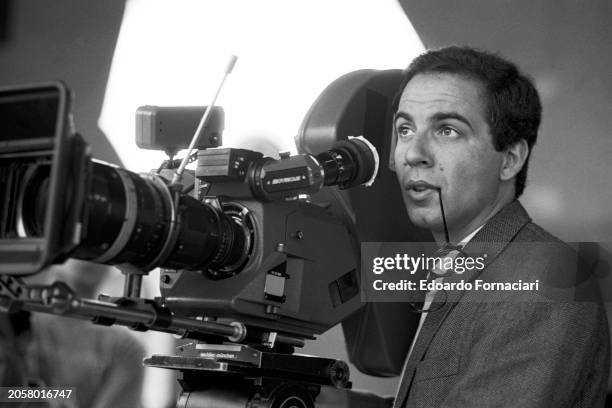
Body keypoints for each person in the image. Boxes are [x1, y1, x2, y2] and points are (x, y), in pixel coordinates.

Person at [390, 46, 610, 407]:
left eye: (447, 130)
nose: (414, 153)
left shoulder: (544, 282)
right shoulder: (462, 265)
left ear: (510, 159)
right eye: (405, 128)